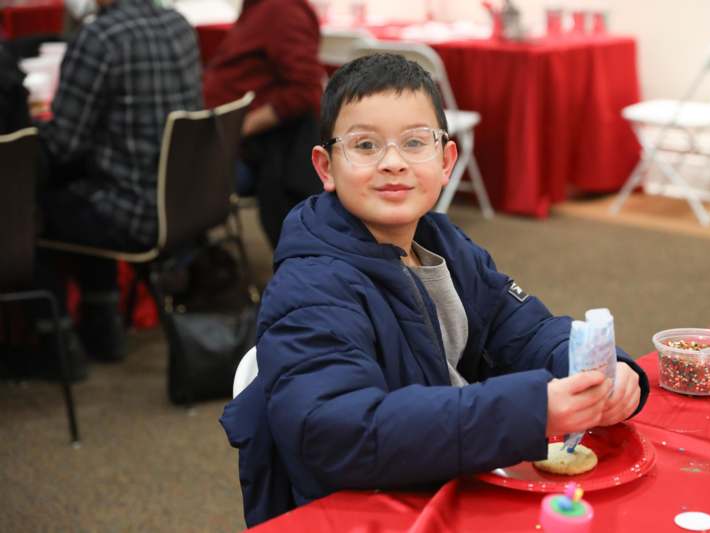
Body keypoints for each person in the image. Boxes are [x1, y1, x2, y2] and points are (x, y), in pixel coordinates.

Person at [221, 53, 650, 527]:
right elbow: (338, 432)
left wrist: (601, 369)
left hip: (443, 474)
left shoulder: (443, 244)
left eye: (414, 143)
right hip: (362, 507)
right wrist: (530, 410)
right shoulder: (311, 286)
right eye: (365, 145)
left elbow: (523, 330)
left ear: (446, 161)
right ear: (325, 168)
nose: (392, 163)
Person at [34, 0, 202, 375]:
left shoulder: (99, 37)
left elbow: (63, 144)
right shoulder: (179, 25)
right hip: (181, 203)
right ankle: (102, 320)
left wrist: (27, 129)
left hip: (130, 212)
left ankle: (57, 345)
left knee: (27, 206)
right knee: (82, 187)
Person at [203, 0, 325, 249]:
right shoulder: (261, 8)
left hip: (240, 154)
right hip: (226, 146)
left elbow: (306, 90)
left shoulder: (282, 11)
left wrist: (238, 128)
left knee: (153, 177)